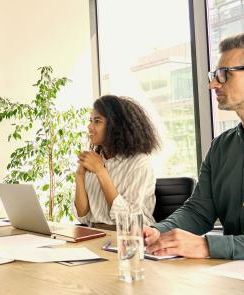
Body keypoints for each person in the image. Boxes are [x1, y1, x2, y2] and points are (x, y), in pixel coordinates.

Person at [144, 33, 244, 260]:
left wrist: (207, 246)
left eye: (224, 74)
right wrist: (157, 231)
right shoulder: (221, 147)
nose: (213, 84)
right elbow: (199, 211)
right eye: (214, 75)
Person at [73, 95, 160, 229]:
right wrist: (79, 176)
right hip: (95, 234)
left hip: (129, 239)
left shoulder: (139, 163)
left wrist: (101, 171)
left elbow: (128, 220)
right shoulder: (95, 160)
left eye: (97, 121)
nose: (89, 126)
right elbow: (83, 215)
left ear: (115, 126)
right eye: (90, 120)